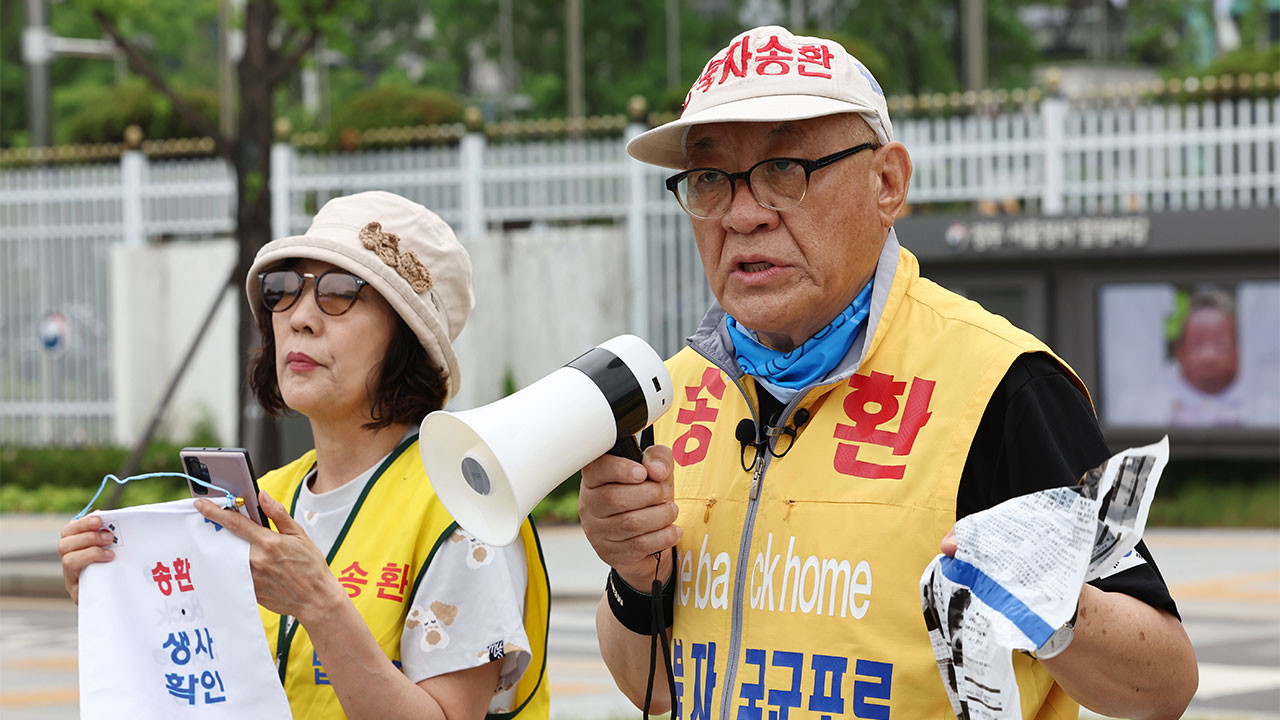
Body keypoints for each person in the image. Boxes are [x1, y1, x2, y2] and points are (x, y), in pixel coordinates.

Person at [578, 25, 1197, 720]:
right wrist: (634, 577)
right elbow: (655, 687)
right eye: (709, 179)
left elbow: (1162, 685)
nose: (742, 214)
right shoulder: (674, 393)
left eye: (784, 169)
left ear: (887, 183)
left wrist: (1053, 601)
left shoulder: (998, 386)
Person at [59, 191, 550, 719]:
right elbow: (208, 684)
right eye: (285, 290)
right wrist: (119, 598)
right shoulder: (265, 498)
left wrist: (318, 604)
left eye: (340, 293)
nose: (300, 318)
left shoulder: (464, 511)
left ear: (407, 337)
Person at [1170, 286, 1244, 426]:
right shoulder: (1158, 401)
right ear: (1179, 352)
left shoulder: (1259, 398)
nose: (1209, 357)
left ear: (1239, 349)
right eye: (1196, 346)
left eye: (1222, 345)